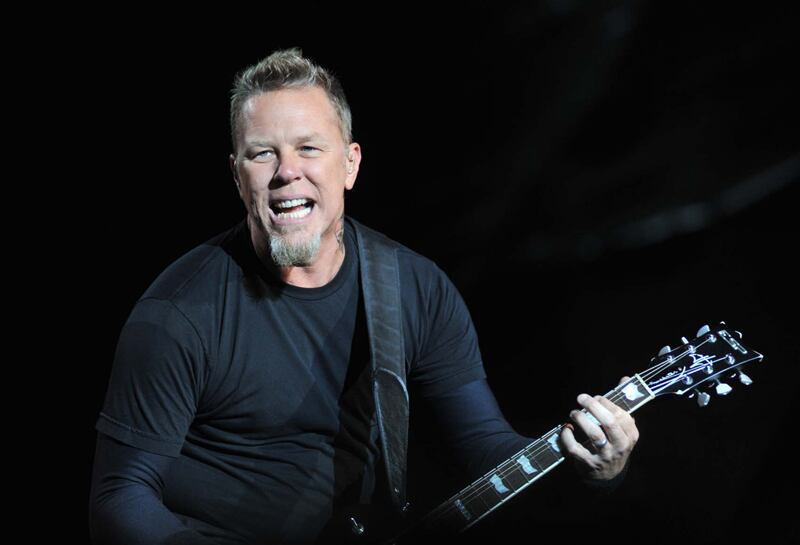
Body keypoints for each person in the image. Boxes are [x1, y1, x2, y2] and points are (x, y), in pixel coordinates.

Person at [88, 48, 639, 545]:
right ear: (237, 176)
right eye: (262, 154)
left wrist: (591, 465)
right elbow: (120, 498)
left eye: (308, 148)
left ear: (350, 164)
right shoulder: (179, 312)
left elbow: (484, 450)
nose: (287, 173)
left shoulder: (414, 289)